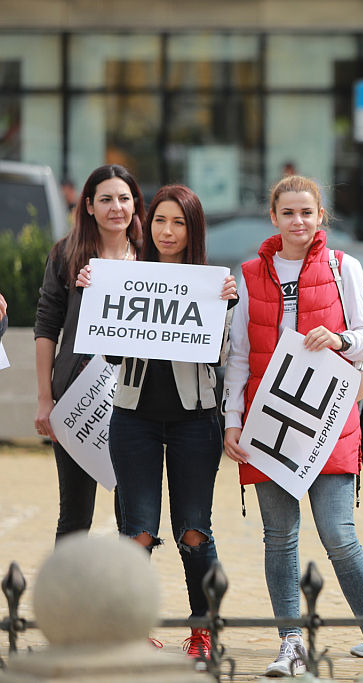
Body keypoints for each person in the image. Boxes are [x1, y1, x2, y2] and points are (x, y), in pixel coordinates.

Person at [222, 175, 363, 677]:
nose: (298, 221)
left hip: (328, 418)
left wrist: (339, 339)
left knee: (339, 535)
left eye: (307, 212)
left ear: (322, 216)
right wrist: (232, 421)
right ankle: (291, 644)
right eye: (288, 213)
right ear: (273, 217)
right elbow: (238, 356)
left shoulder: (344, 266)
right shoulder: (251, 272)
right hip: (268, 421)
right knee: (279, 536)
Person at [74, 185, 237, 666]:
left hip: (196, 421)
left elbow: (222, 357)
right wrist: (94, 295)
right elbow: (110, 350)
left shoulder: (213, 283)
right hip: (134, 419)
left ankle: (203, 631)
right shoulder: (126, 277)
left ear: (193, 229)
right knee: (138, 532)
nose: (168, 232)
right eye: (161, 221)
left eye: (179, 223)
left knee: (194, 531)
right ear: (150, 226)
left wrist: (225, 309)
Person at [34, 164, 143, 542]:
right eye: (106, 199)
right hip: (78, 398)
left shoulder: (152, 258)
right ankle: (67, 600)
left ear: (135, 205)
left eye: (124, 198)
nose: (117, 207)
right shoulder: (67, 254)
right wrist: (45, 399)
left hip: (136, 401)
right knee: (75, 515)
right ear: (89, 206)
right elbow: (47, 325)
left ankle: (121, 598)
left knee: (132, 515)